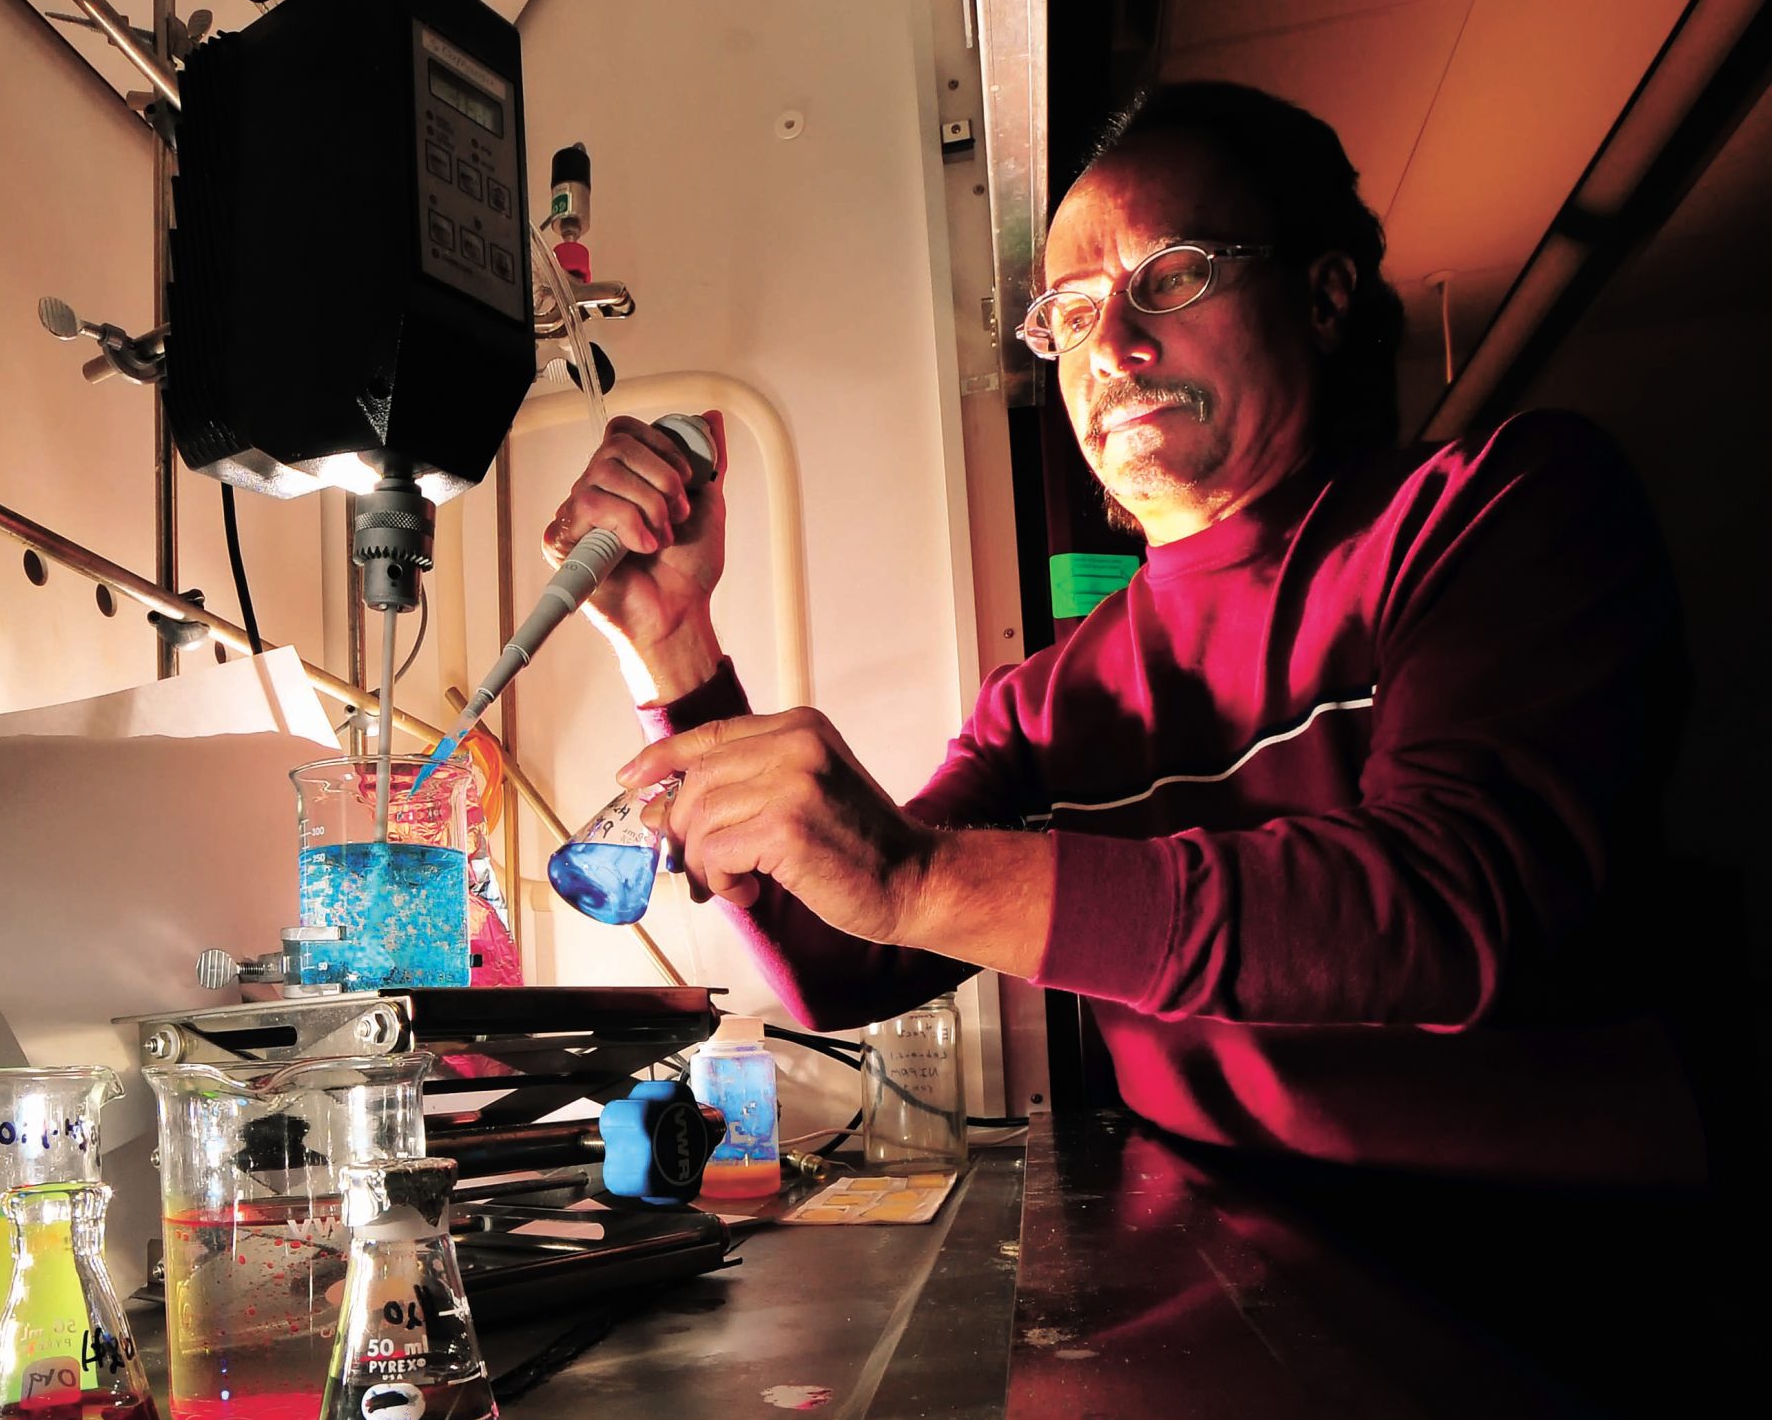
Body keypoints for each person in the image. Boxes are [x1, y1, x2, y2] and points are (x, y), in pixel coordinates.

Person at [548, 81, 1704, 1188]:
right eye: (1074, 312)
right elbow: (854, 957)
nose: (1113, 349)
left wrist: (926, 875)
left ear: (1324, 293)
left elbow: (1456, 907)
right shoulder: (1051, 699)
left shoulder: (1494, 507)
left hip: (1559, 1289)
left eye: (1174, 277)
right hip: (1231, 1272)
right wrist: (675, 645)